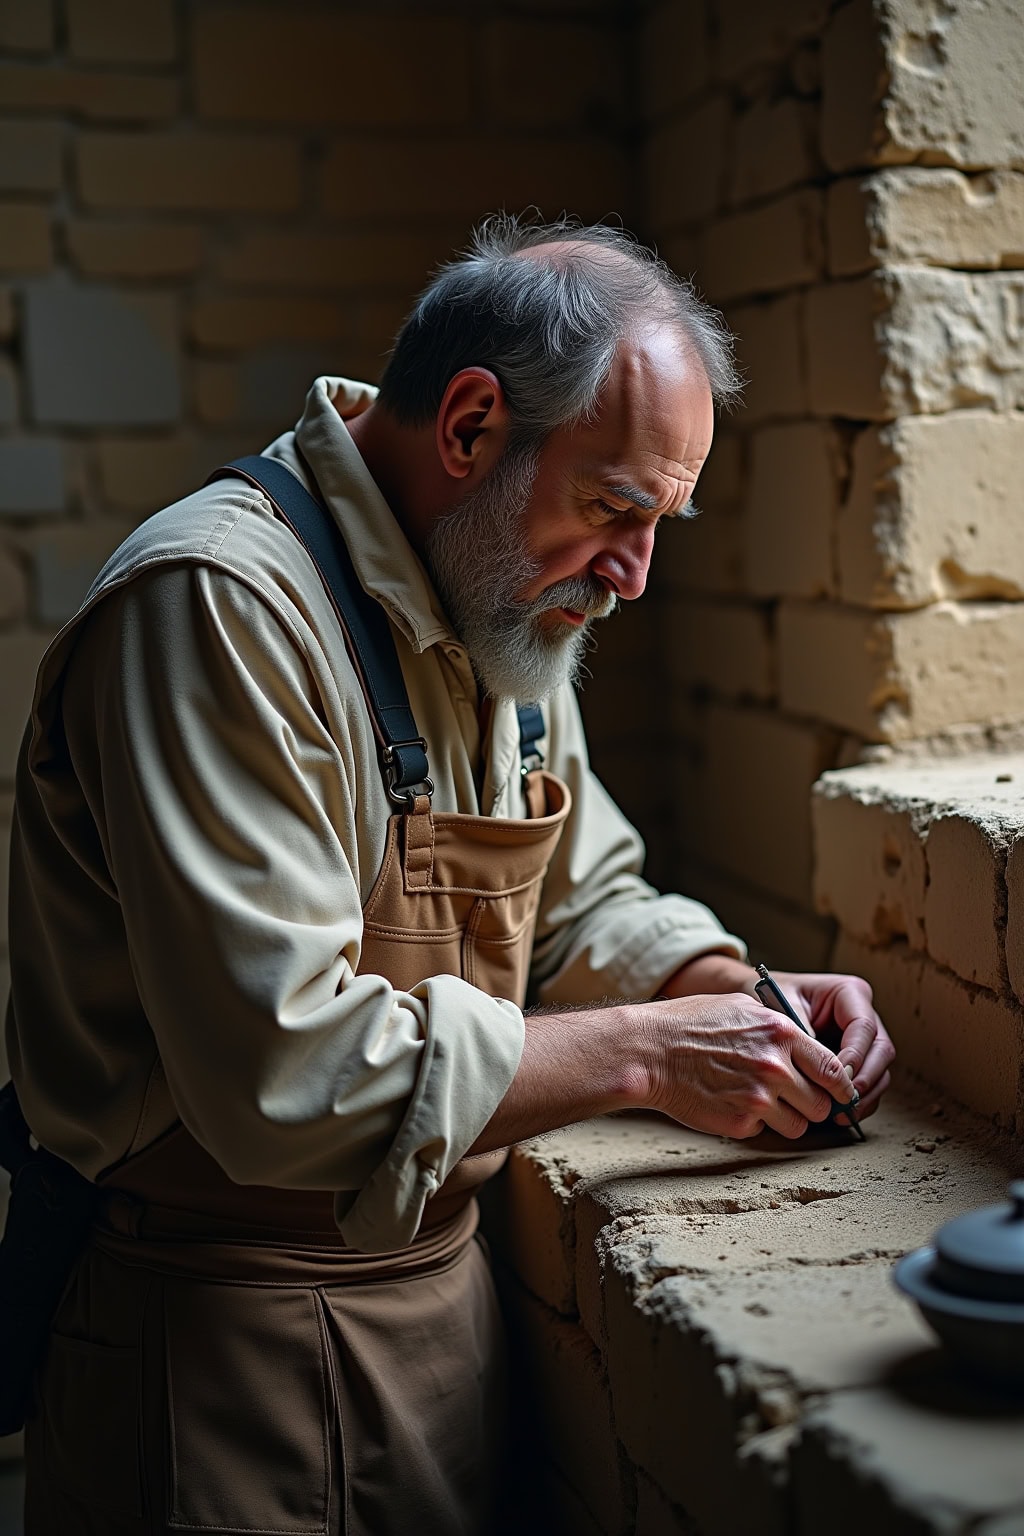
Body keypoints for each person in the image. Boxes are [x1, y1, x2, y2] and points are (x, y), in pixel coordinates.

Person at [5, 216, 894, 1535]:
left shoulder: (506, 600)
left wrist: (731, 993)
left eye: (661, 523)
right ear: (473, 427)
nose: (635, 575)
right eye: (615, 509)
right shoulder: (218, 609)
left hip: (451, 1322)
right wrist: (651, 1053)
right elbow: (280, 1076)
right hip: (219, 1354)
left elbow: (582, 904)